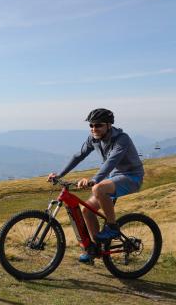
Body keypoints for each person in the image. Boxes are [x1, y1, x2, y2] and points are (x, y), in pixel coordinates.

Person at [47, 108, 144, 263]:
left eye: (98, 125)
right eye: (91, 125)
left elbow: (112, 161)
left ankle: (112, 227)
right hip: (113, 178)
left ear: (109, 125)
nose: (94, 129)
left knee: (98, 188)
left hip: (131, 177)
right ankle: (94, 249)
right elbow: (78, 156)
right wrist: (60, 174)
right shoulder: (94, 139)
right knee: (87, 210)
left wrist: (95, 179)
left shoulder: (122, 139)